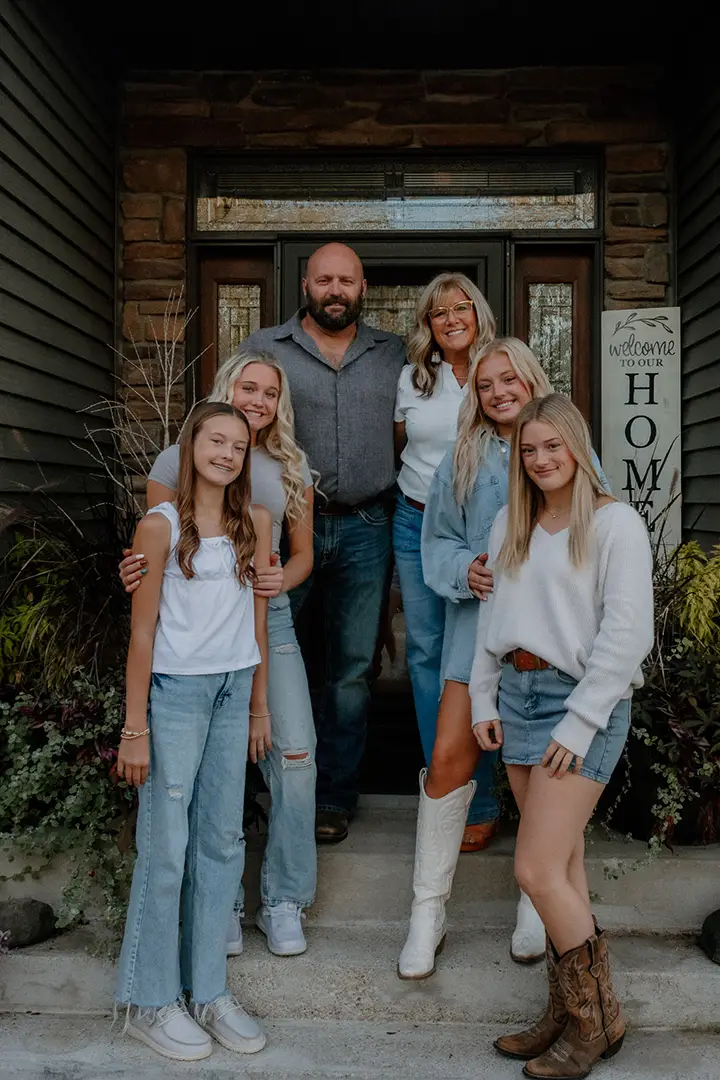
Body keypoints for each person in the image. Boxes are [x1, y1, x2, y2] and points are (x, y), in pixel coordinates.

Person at [397, 340, 606, 981]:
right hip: (480, 629)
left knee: (548, 767)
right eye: (485, 385)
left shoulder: (567, 446)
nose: (498, 392)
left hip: (555, 643)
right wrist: (466, 568)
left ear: (530, 378)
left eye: (508, 379)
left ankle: (536, 900)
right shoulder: (462, 457)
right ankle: (427, 913)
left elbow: (597, 537)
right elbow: (437, 541)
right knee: (449, 756)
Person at [470, 393, 653, 1078]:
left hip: (582, 704)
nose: (541, 459)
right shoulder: (510, 523)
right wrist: (482, 694)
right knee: (564, 867)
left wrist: (579, 722)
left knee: (536, 869)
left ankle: (599, 1020)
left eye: (553, 446)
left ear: (577, 447)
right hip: (517, 697)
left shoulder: (614, 524)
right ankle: (568, 1012)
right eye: (529, 450)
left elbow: (628, 635)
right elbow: (492, 621)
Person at [120, 352, 317, 960]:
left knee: (295, 755)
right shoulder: (178, 457)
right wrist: (132, 572)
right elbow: (157, 545)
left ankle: (284, 898)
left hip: (266, 616)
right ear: (226, 389)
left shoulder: (290, 466)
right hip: (197, 631)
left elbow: (302, 556)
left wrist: (276, 580)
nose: (257, 400)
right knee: (212, 772)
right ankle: (221, 901)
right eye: (247, 387)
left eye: (269, 393)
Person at [115, 401, 271, 1062]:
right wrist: (135, 727)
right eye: (216, 441)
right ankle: (149, 1001)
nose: (227, 453)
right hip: (177, 696)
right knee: (167, 847)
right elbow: (142, 632)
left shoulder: (255, 523)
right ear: (190, 447)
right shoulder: (159, 526)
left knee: (222, 845)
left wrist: (260, 707)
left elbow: (258, 624)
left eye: (238, 445)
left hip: (234, 691)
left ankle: (208, 991)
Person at [240, 243, 406, 843]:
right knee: (264, 651)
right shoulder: (265, 348)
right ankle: (252, 787)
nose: (335, 290)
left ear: (363, 288)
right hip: (284, 528)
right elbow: (229, 421)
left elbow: (412, 434)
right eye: (324, 280)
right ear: (306, 285)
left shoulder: (394, 353)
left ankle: (333, 796)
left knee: (352, 670)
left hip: (367, 525)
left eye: (347, 281)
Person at [393, 272, 498, 850]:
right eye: (439, 312)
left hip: (479, 532)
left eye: (461, 308)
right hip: (414, 522)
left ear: (478, 313)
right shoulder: (413, 377)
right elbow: (403, 445)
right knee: (425, 658)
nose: (452, 319)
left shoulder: (497, 370)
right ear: (427, 325)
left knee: (475, 662)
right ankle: (442, 791)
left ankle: (482, 800)